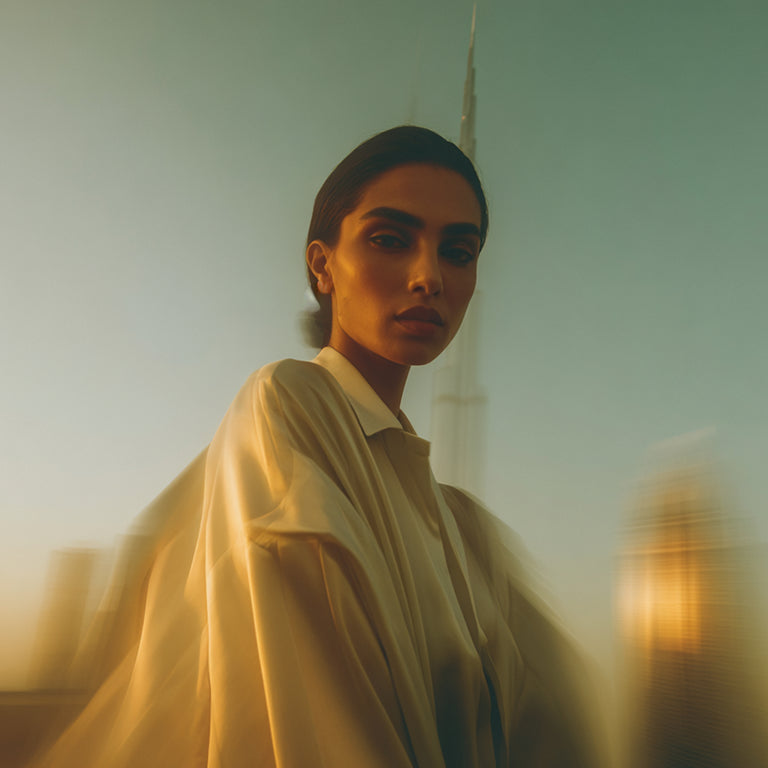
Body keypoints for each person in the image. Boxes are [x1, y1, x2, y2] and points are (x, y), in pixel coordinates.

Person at [33, 126, 602, 767]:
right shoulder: (288, 405)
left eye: (459, 251)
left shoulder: (467, 530)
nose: (429, 277)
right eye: (390, 239)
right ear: (322, 265)